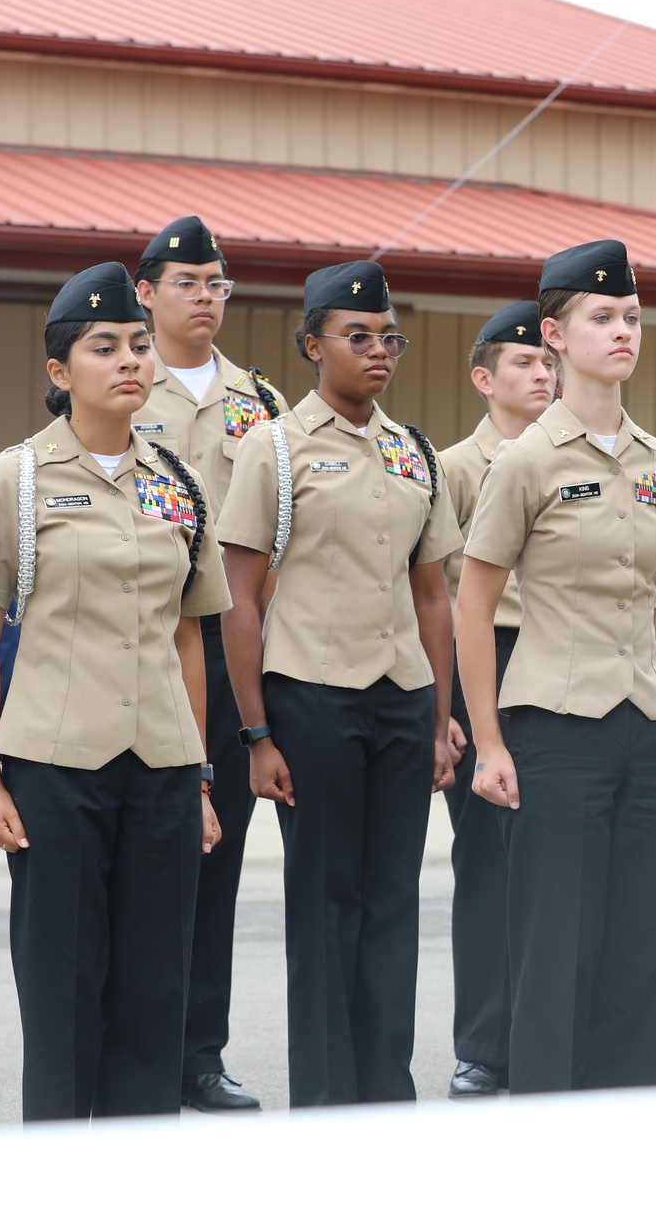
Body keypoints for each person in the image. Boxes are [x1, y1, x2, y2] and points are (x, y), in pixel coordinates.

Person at [0, 262, 228, 1121]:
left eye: (138, 345)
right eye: (103, 347)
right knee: (65, 986)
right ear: (59, 372)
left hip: (161, 765)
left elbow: (189, 631)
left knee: (154, 988)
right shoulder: (18, 478)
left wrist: (201, 774)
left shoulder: (176, 482)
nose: (128, 361)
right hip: (55, 764)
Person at [457, 239, 656, 1094]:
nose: (622, 331)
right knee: (555, 949)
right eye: (601, 317)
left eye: (630, 316)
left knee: (638, 948)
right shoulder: (526, 458)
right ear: (554, 336)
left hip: (648, 723)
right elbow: (473, 604)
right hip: (553, 729)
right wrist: (486, 740)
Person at [217, 260, 460, 1107]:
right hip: (311, 695)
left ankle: (384, 1091)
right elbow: (239, 597)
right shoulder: (274, 447)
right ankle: (326, 1096)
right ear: (312, 343)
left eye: (389, 335)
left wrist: (439, 716)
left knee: (394, 898)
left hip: (399, 695)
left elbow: (433, 593)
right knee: (327, 900)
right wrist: (256, 733)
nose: (378, 350)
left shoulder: (413, 448)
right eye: (357, 336)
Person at [131, 215, 286, 1114]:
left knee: (214, 860)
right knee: (143, 858)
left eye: (218, 282)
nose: (206, 296)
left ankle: (199, 1051)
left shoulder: (257, 401)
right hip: (136, 651)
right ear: (146, 291)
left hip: (224, 658)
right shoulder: (116, 380)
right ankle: (140, 1046)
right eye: (187, 281)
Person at [437, 299, 555, 1098]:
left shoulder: (574, 455)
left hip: (558, 664)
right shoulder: (453, 468)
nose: (541, 374)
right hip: (485, 658)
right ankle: (485, 1043)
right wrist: (443, 707)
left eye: (547, 362)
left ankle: (543, 1031)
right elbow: (435, 593)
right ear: (484, 378)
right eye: (523, 363)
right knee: (486, 866)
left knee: (553, 868)